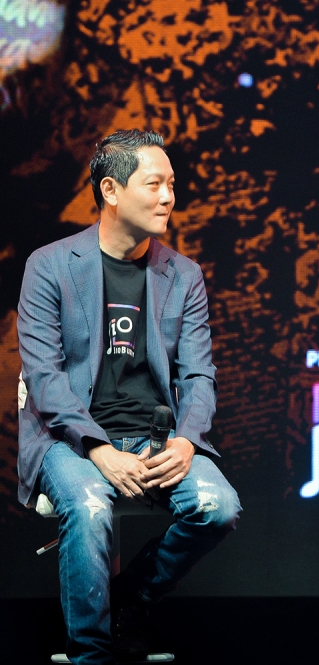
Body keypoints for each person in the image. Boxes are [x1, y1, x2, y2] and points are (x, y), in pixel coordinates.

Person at [17, 129, 242, 664]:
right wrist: (98, 449)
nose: (168, 197)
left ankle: (129, 602)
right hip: (70, 440)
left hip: (155, 440)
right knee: (90, 506)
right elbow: (45, 377)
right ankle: (91, 654)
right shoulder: (50, 265)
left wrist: (186, 442)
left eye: (172, 185)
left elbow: (199, 375)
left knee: (218, 508)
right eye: (154, 184)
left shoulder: (182, 274)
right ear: (111, 190)